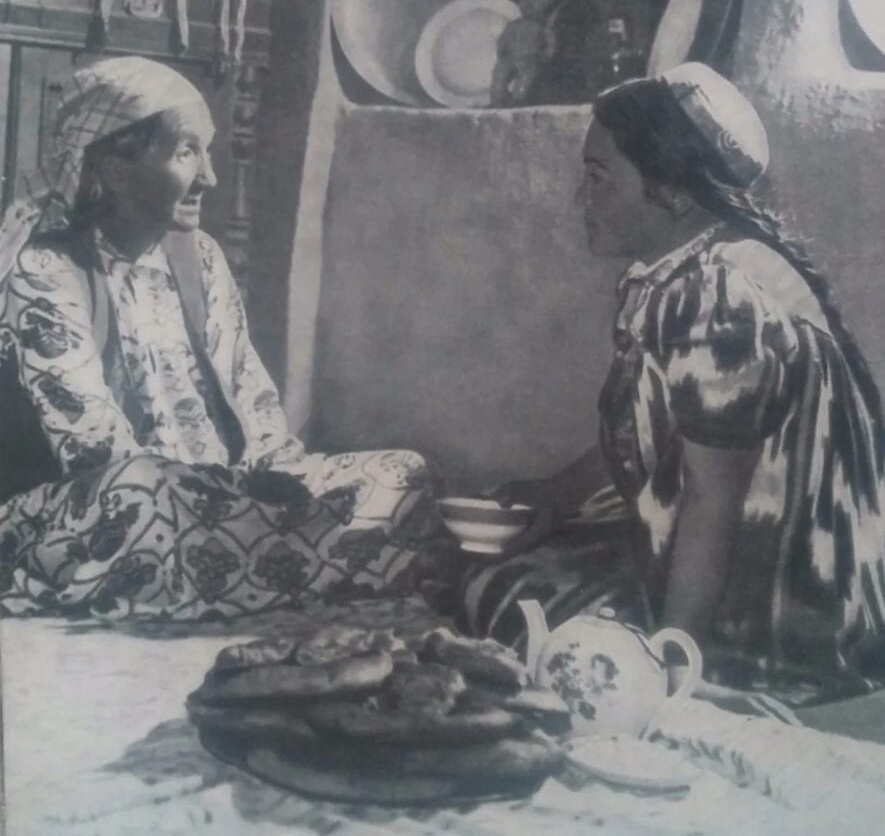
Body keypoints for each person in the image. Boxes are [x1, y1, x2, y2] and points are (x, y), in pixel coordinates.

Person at [471, 62, 885, 703]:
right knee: (504, 581)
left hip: (783, 605)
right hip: (753, 565)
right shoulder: (691, 270)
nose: (583, 197)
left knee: (508, 603)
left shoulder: (716, 295)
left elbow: (712, 502)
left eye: (598, 175)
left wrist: (671, 665)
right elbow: (670, 434)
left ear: (673, 191)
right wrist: (559, 493)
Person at [0, 56, 451, 622]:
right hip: (99, 511)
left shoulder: (200, 258)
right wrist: (233, 501)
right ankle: (279, 573)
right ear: (116, 168)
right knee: (145, 492)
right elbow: (94, 453)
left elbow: (253, 404)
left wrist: (283, 487)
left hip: (218, 505)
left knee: (402, 474)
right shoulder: (47, 268)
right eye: (188, 152)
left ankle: (236, 575)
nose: (211, 177)